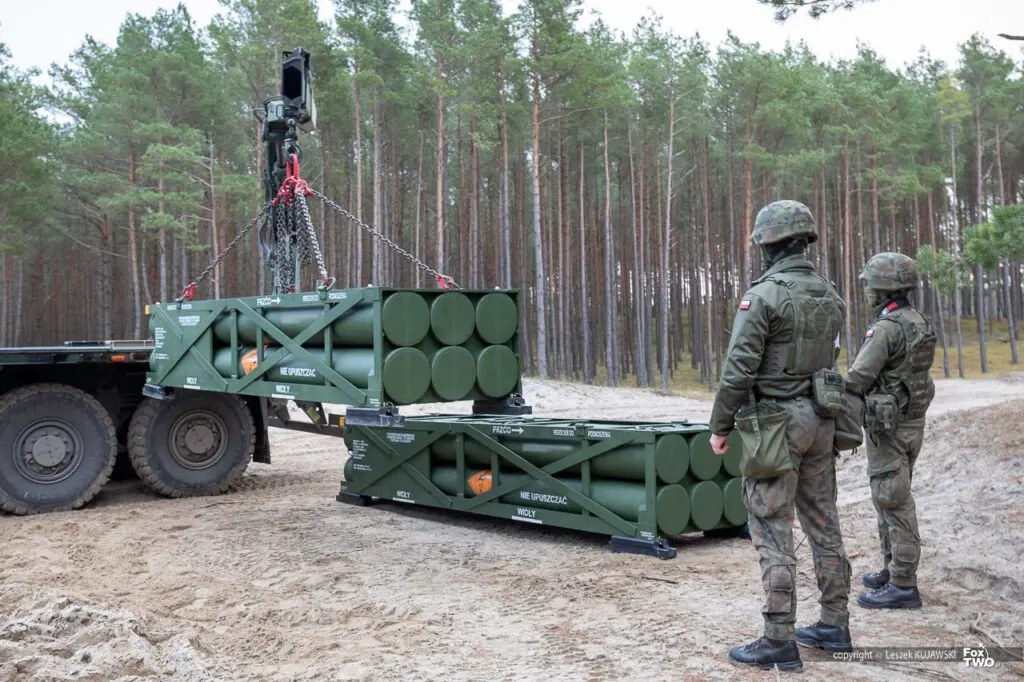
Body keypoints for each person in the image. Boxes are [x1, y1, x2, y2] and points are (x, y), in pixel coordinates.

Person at [709, 199, 853, 672]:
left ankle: (778, 639)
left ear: (767, 244)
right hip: (822, 420)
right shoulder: (830, 294)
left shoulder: (763, 296)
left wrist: (719, 426)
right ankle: (835, 624)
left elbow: (738, 370)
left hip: (776, 426)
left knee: (771, 525)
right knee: (823, 522)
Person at [844, 252, 936, 610]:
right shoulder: (918, 320)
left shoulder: (886, 328)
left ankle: (903, 584)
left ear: (885, 287)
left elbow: (860, 376)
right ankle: (892, 568)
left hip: (890, 427)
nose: (866, 289)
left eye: (870, 284)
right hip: (911, 422)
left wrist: (834, 386)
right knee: (889, 496)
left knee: (893, 500)